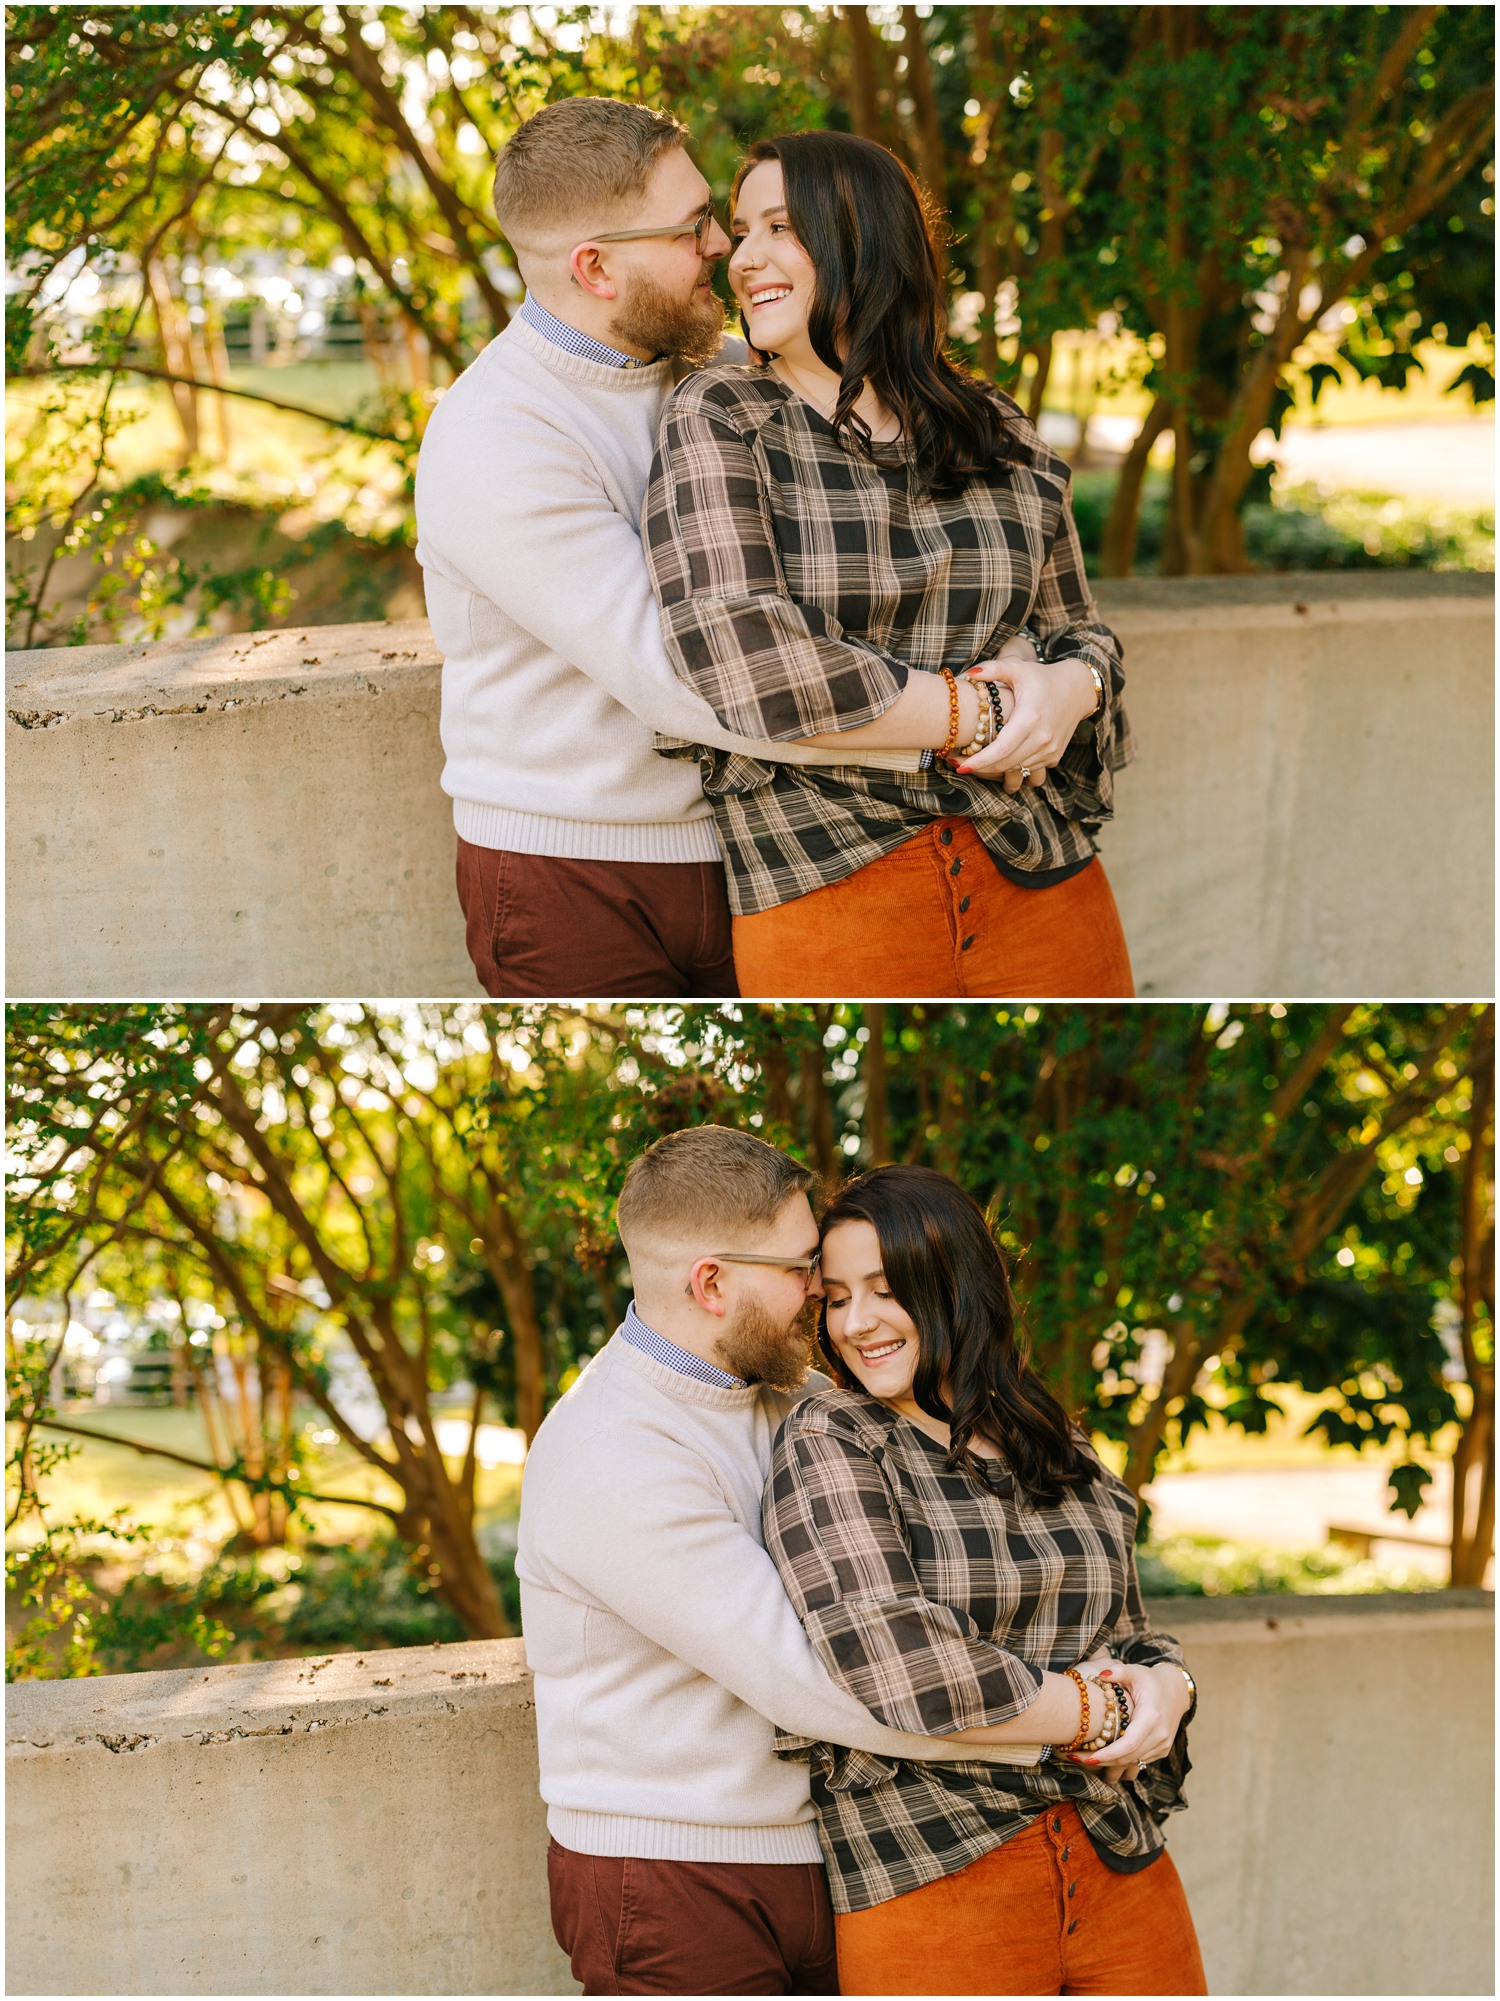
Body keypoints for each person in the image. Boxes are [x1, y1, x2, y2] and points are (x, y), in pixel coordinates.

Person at [415, 99, 1000, 998]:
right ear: (596, 267)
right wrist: (968, 717)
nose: (727, 244)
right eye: (694, 229)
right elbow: (693, 676)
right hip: (574, 874)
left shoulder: (732, 370)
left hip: (755, 844)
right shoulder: (494, 436)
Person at [517, 1126, 1086, 1996]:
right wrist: (1081, 1716)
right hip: (675, 1876)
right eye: (800, 1266)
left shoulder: (794, 1393)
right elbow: (816, 1678)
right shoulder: (609, 1450)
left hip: (829, 1855)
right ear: (711, 1282)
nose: (821, 1290)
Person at [644, 131, 1136, 999]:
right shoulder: (721, 414)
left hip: (1045, 879)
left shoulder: (992, 424)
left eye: (780, 227)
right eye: (741, 229)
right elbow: (752, 663)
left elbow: (1081, 634)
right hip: (827, 887)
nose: (742, 257)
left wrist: (1071, 690)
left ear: (862, 239)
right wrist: (984, 709)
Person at [762, 1164, 1205, 1997]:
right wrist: (1103, 1707)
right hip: (936, 1865)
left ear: (955, 1286)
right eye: (837, 1297)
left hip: (1118, 1854)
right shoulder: (836, 1438)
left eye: (887, 1290)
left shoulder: (1051, 1436)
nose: (858, 1323)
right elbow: (906, 1667)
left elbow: (1131, 1627)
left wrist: (1170, 1686)